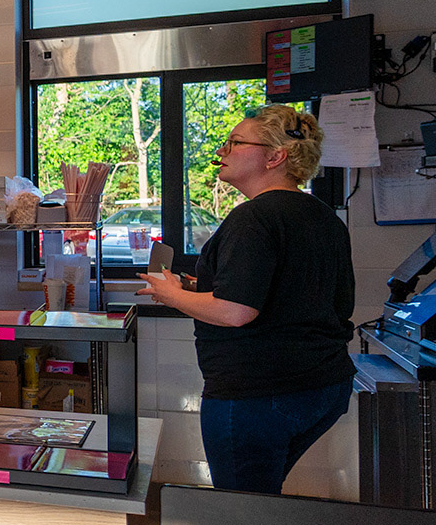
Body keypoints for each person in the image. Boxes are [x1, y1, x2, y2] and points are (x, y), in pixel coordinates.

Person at [139, 105, 355, 495]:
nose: (222, 151)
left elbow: (236, 311)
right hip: (324, 386)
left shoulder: (254, 217)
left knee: (241, 512)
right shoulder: (324, 217)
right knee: (262, 498)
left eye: (235, 143)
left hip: (259, 395)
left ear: (275, 156)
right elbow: (293, 293)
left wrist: (171, 295)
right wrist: (191, 288)